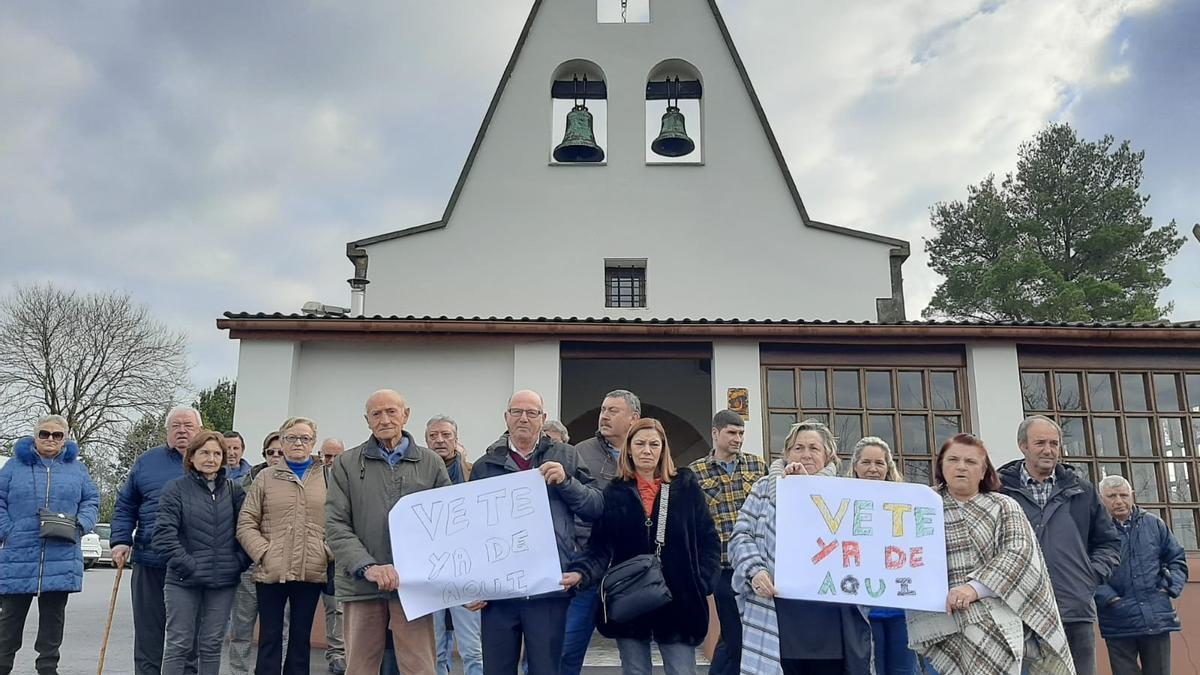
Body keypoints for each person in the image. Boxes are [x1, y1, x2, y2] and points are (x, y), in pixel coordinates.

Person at [907, 433, 1074, 675]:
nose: (961, 467)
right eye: (953, 460)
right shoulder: (921, 507)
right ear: (941, 466)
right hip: (940, 627)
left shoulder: (1004, 506)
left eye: (971, 462)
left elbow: (1018, 554)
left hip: (1000, 624)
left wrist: (973, 588)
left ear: (984, 470)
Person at [567, 418, 720, 675]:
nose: (647, 450)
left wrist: (703, 580)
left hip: (679, 599)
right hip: (630, 598)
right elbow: (600, 546)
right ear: (629, 449)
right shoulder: (615, 492)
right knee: (635, 670)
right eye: (640, 444)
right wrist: (581, 572)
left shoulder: (685, 485)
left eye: (653, 444)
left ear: (663, 449)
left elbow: (708, 539)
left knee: (682, 671)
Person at [468, 389, 604, 675]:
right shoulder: (485, 465)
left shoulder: (566, 456)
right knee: (497, 669)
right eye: (516, 412)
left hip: (547, 589)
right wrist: (474, 582)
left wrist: (567, 482)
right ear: (506, 418)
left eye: (531, 413)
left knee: (545, 669)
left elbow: (596, 506)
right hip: (499, 592)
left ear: (543, 419)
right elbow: (472, 531)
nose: (523, 419)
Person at [729, 419, 872, 674]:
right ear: (786, 453)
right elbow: (740, 535)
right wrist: (754, 570)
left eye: (814, 448)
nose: (805, 454)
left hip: (830, 622)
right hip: (777, 614)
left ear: (829, 455)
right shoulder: (763, 488)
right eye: (798, 448)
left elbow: (861, 543)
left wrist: (807, 487)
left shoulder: (847, 492)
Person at [325, 389, 449, 675]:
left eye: (391, 411)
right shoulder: (346, 463)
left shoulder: (431, 463)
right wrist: (368, 567)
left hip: (414, 586)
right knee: (360, 667)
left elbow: (446, 525)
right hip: (361, 585)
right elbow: (335, 525)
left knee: (420, 667)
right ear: (367, 420)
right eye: (376, 414)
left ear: (406, 415)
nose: (384, 419)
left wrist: (421, 569)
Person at [998, 415, 1120, 675]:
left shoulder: (1083, 491)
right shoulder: (1000, 491)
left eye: (1054, 443)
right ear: (1023, 446)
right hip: (1018, 611)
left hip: (1073, 611)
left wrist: (1090, 576)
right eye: (1040, 442)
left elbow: (1108, 542)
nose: (1048, 450)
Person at [0, 415, 100, 675]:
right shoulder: (13, 466)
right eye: (44, 434)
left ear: (65, 438)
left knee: (53, 619)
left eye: (57, 435)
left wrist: (81, 524)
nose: (50, 439)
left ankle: (47, 667)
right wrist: (7, 531)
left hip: (61, 551)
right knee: (9, 620)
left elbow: (91, 500)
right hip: (19, 552)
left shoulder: (78, 469)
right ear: (35, 436)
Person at [112, 406, 203, 675]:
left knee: (189, 634)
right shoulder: (147, 461)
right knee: (148, 632)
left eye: (188, 425)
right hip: (150, 559)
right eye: (176, 425)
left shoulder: (211, 461)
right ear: (167, 431)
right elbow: (126, 504)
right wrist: (119, 540)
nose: (182, 430)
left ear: (199, 429)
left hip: (193, 563)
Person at [237, 417, 332, 675]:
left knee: (301, 639)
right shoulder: (265, 477)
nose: (298, 443)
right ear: (283, 440)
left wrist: (325, 551)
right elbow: (246, 522)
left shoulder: (327, 477)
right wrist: (264, 552)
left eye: (304, 438)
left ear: (313, 442)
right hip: (271, 571)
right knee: (270, 637)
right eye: (291, 438)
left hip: (310, 571)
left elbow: (340, 521)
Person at [153, 431, 250, 675]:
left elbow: (248, 531)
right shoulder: (175, 489)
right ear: (192, 456)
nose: (212, 458)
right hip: (183, 581)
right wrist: (190, 565)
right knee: (178, 644)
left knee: (211, 644)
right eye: (205, 452)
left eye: (217, 453)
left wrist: (237, 563)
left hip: (223, 583)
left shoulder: (234, 491)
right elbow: (164, 536)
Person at [561, 389, 641, 675]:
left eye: (613, 411)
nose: (604, 416)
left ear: (634, 418)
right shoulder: (579, 452)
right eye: (603, 409)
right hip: (586, 568)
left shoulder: (646, 453)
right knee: (566, 650)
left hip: (631, 573)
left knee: (636, 657)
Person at [688, 409, 767, 675]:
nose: (738, 438)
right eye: (732, 433)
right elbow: (692, 522)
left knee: (739, 638)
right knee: (736, 637)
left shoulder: (758, 466)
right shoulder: (695, 472)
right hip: (722, 567)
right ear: (715, 433)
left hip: (756, 566)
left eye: (741, 433)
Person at [1096, 475, 1187, 675]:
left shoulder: (1154, 524)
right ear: (1101, 499)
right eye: (1111, 496)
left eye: (1123, 495)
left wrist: (1168, 588)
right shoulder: (1094, 530)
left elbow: (1177, 560)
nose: (1119, 501)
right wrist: (1110, 599)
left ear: (1132, 496)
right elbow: (1086, 571)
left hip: (1157, 616)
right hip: (1117, 618)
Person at [845, 437, 914, 675]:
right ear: (855, 466)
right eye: (866, 462)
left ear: (888, 467)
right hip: (863, 609)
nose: (873, 469)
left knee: (904, 670)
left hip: (902, 607)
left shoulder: (908, 501)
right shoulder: (840, 501)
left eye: (879, 463)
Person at [425, 416, 484, 675]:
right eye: (434, 435)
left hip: (466, 569)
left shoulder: (474, 472)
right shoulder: (417, 475)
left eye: (446, 435)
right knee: (435, 647)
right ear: (426, 440)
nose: (440, 440)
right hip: (429, 569)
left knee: (472, 648)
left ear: (456, 439)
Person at [226, 431, 284, 675]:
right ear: (264, 455)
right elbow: (238, 523)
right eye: (271, 452)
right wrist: (251, 555)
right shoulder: (245, 483)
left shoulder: (300, 483)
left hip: (282, 566)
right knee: (242, 627)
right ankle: (238, 671)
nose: (276, 457)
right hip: (250, 563)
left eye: (281, 452)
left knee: (279, 629)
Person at [319, 438, 348, 675]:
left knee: (336, 607)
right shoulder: (314, 478)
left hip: (338, 556)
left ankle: (338, 655)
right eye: (327, 456)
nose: (331, 461)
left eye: (336, 456)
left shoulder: (351, 478)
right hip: (313, 553)